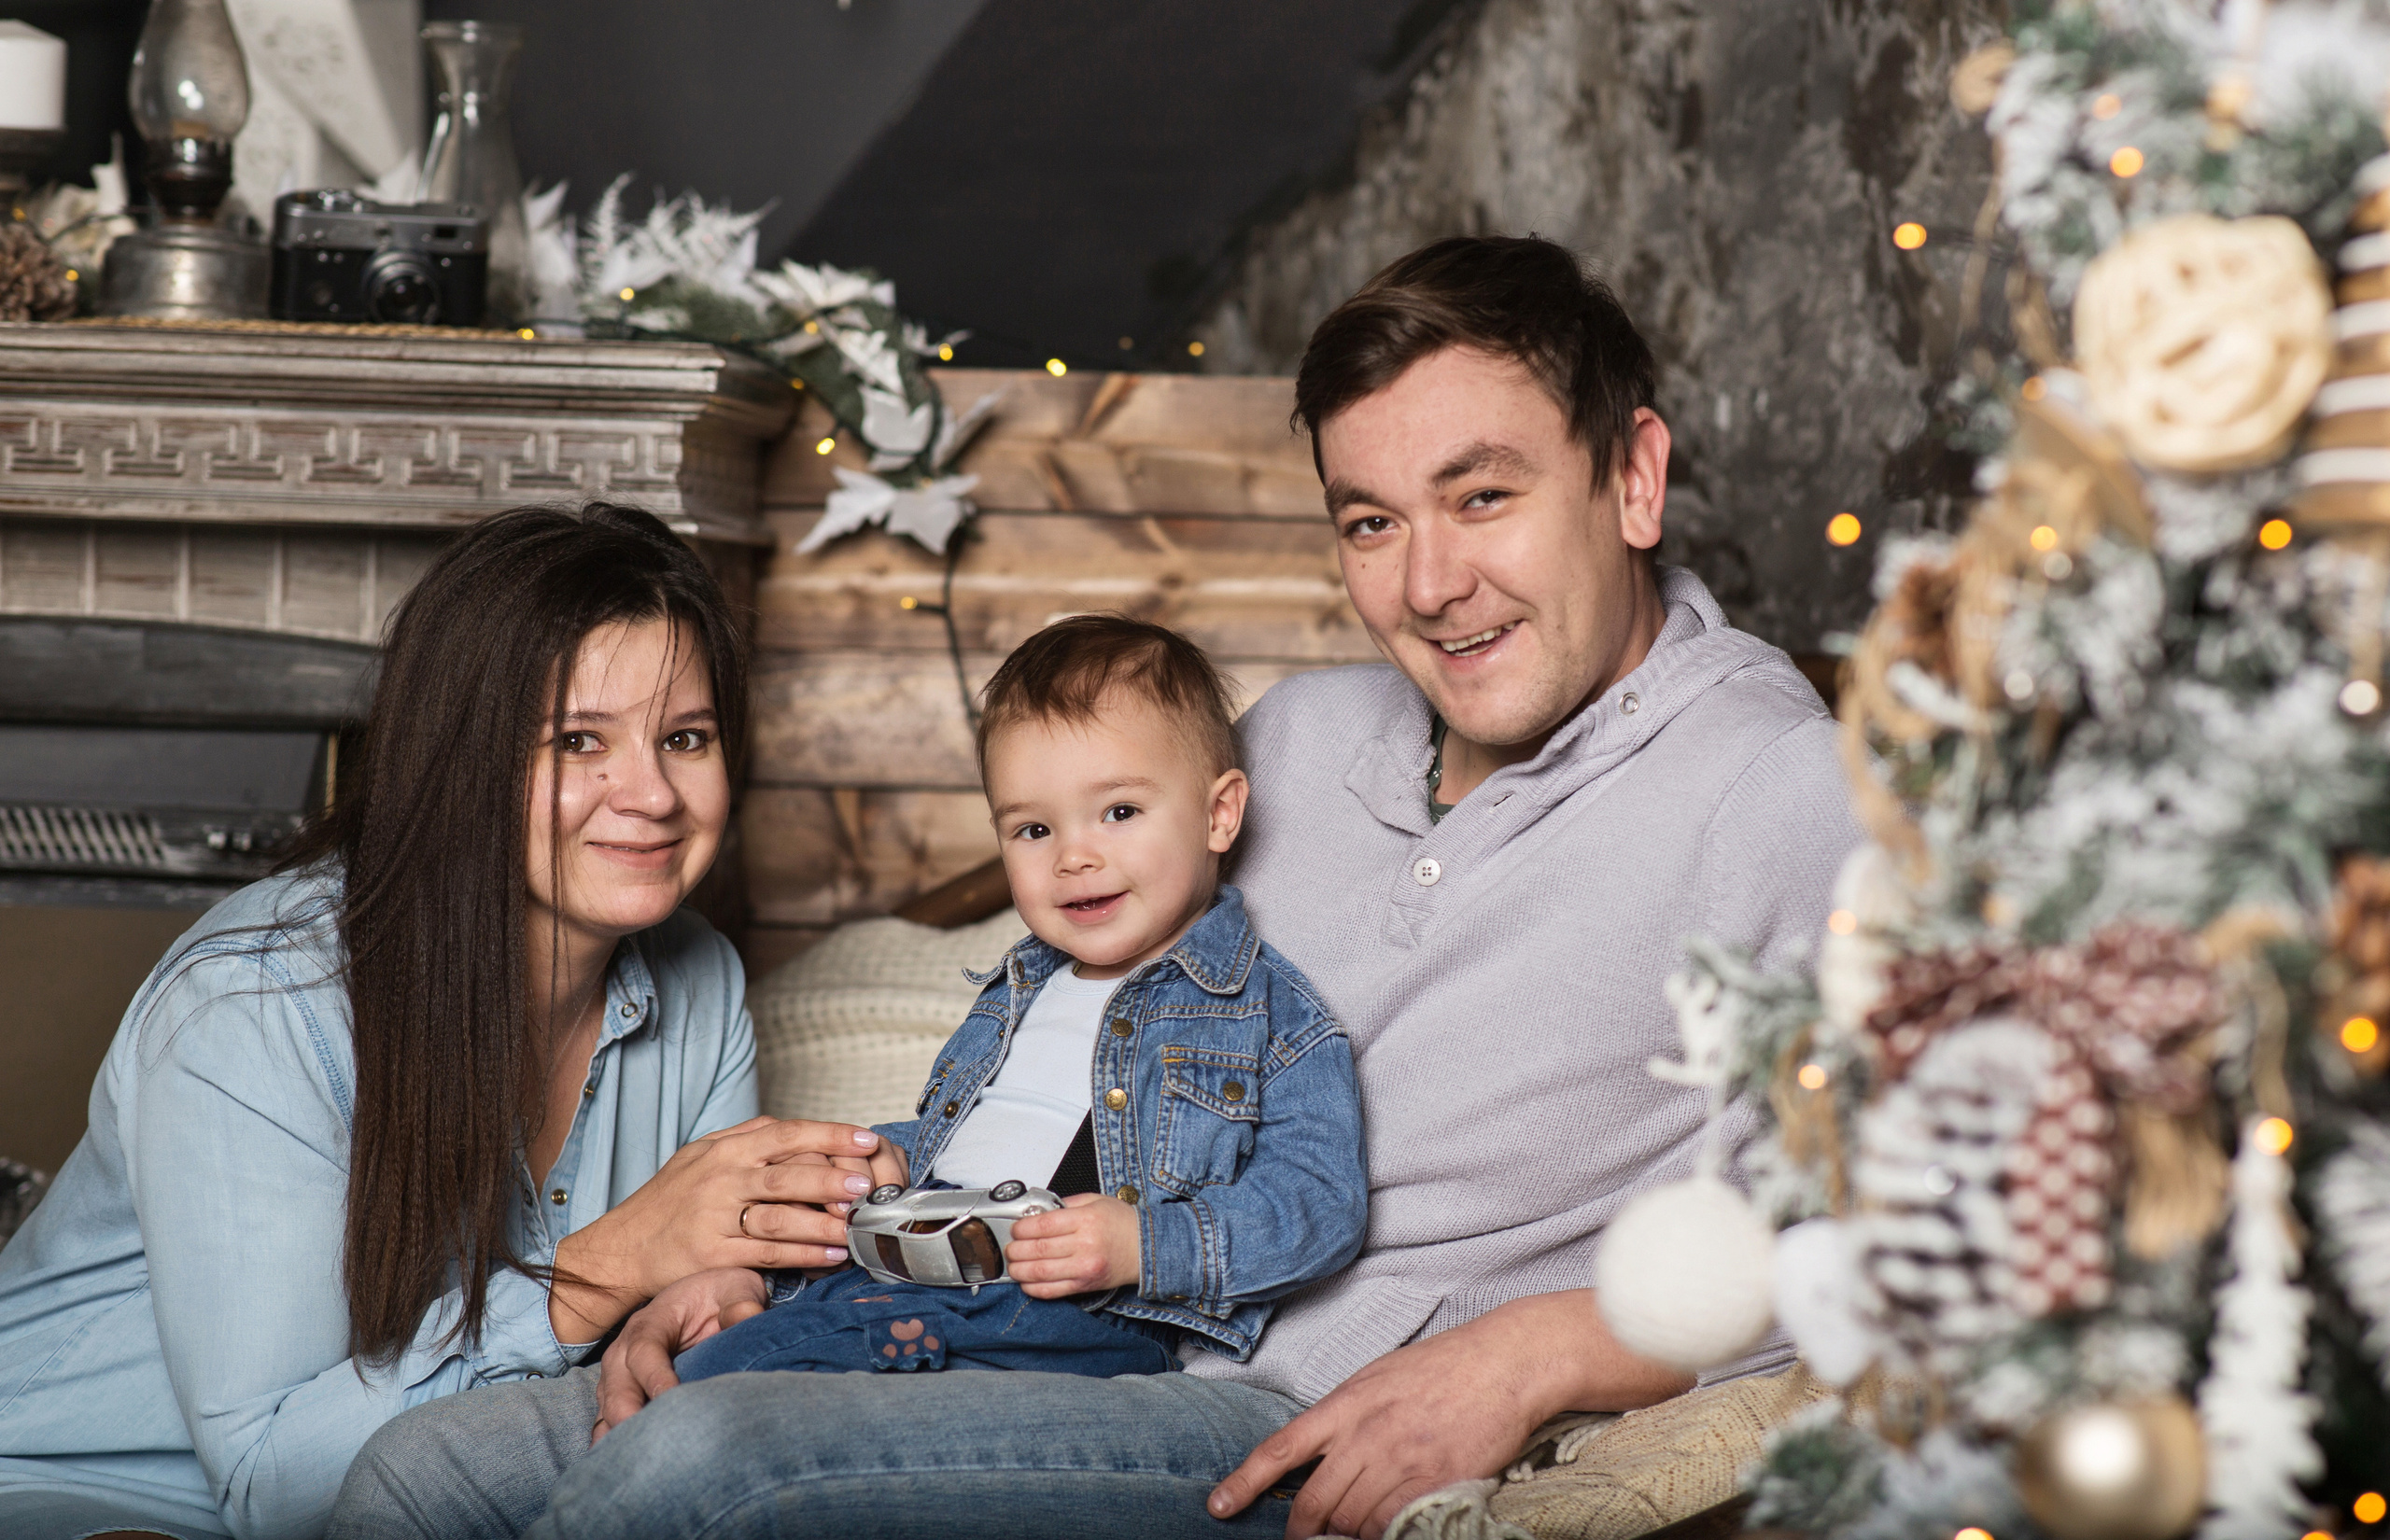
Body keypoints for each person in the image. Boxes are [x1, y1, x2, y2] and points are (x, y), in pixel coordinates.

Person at [330, 235, 1862, 1540]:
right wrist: (786, 1282)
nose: (1428, 585)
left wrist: (1530, 1355)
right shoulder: (1298, 738)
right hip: (1025, 1317)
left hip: (1270, 1408)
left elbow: (1905, 1233)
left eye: (1483, 498)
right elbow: (1062, 1068)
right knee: (424, 1473)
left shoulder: (1775, 785)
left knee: (708, 1466)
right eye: (1371, 522)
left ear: (1634, 478)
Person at [0, 504, 894, 1540]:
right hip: (90, 1492)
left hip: (459, 1491)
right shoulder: (256, 1004)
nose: (652, 794)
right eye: (579, 741)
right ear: (458, 760)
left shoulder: (701, 979)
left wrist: (704, 1302)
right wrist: (606, 1269)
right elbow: (269, 1488)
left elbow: (703, 1291)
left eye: (684, 738)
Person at [668, 615, 1364, 1388]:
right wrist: (888, 1159)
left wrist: (1144, 1246)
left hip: (1074, 1307)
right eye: (1033, 829)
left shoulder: (1271, 1017)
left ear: (1218, 814)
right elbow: (990, 1140)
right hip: (924, 1264)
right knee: (734, 1336)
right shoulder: (1020, 991)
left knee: (733, 1373)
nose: (1073, 856)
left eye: (1120, 812)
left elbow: (1319, 1206)